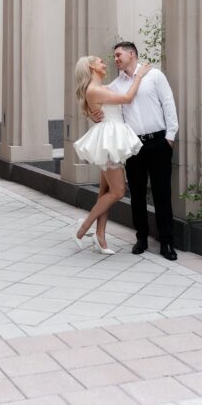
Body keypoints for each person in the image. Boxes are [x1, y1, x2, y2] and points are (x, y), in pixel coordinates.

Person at [96, 41, 179, 260]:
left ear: (132, 54)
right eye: (114, 56)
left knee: (162, 193)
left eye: (118, 55)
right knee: (137, 195)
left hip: (159, 142)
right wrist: (95, 114)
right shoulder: (115, 85)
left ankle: (167, 243)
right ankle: (141, 238)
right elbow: (101, 103)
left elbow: (168, 104)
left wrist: (170, 137)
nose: (115, 59)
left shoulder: (155, 76)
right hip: (134, 146)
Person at [73, 55, 151, 255]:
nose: (104, 64)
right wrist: (139, 76)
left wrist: (93, 112)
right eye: (100, 61)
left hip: (112, 139)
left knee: (104, 193)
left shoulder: (102, 87)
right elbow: (126, 98)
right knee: (117, 191)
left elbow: (106, 101)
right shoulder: (94, 89)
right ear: (91, 66)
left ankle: (100, 237)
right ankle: (83, 228)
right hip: (109, 140)